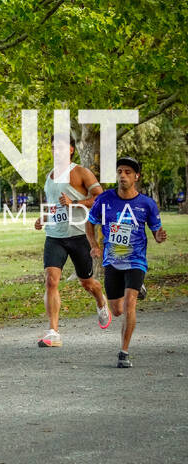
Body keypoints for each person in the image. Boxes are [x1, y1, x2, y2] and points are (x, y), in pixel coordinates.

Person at [85, 156, 167, 368]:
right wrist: (94, 245)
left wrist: (159, 237)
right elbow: (90, 222)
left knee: (130, 303)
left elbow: (156, 231)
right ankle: (138, 288)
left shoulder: (147, 204)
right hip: (112, 261)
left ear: (136, 177)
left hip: (136, 260)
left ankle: (124, 352)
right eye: (120, 171)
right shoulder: (104, 199)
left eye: (128, 172)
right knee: (117, 310)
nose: (122, 175)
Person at [35, 134, 111, 347]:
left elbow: (100, 197)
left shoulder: (80, 172)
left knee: (87, 282)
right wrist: (44, 218)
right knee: (51, 280)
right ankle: (53, 332)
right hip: (54, 236)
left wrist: (74, 202)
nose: (55, 150)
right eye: (53, 147)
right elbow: (54, 205)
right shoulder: (50, 176)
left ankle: (100, 300)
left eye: (60, 147)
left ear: (70, 149)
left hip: (79, 235)